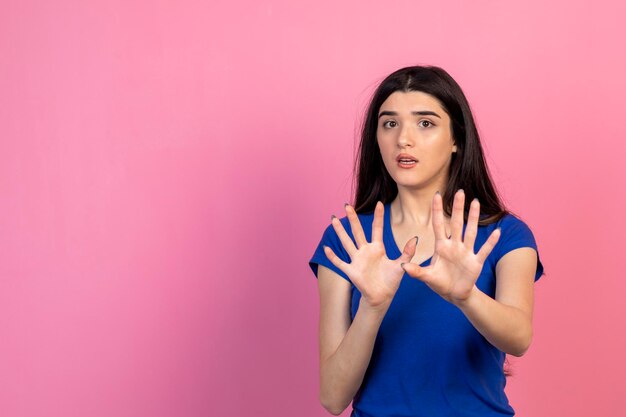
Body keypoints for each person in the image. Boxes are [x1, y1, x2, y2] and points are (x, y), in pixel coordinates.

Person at [308, 65, 544, 417]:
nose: (403, 138)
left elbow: (519, 338)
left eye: (425, 123)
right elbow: (333, 397)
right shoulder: (348, 240)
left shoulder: (504, 236)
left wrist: (467, 297)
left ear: (456, 140)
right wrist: (371, 309)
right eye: (389, 123)